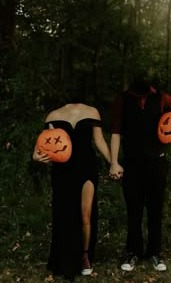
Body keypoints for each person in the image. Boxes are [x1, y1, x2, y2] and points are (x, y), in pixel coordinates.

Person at [109, 73, 171, 272]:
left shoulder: (162, 98)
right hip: (131, 164)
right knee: (134, 210)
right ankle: (133, 252)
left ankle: (155, 252)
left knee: (156, 210)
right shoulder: (123, 100)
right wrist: (114, 162)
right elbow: (115, 132)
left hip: (157, 162)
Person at [33, 102, 111, 282]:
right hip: (62, 170)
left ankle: (85, 256)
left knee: (86, 215)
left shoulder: (92, 111)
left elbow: (99, 141)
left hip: (87, 167)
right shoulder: (52, 115)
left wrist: (112, 162)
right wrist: (36, 157)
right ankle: (64, 258)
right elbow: (40, 147)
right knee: (65, 215)